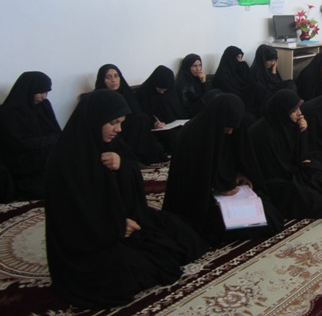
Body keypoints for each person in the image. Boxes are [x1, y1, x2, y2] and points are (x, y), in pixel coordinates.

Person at [44, 90, 208, 309]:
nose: (118, 129)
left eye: (121, 123)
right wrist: (115, 225)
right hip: (89, 238)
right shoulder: (65, 159)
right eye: (113, 123)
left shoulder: (113, 144)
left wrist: (121, 166)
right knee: (128, 275)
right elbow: (71, 215)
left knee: (181, 236)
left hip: (123, 217)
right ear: (95, 119)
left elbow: (134, 177)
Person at [163, 94, 283, 245]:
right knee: (217, 226)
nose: (230, 132)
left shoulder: (231, 131)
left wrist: (239, 174)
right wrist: (216, 189)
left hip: (230, 192)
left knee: (270, 216)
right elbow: (188, 179)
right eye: (227, 126)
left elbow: (232, 158)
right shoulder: (192, 135)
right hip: (200, 201)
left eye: (233, 127)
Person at [249, 89, 322, 220]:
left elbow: (301, 154)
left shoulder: (287, 124)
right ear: (283, 111)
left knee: (316, 169)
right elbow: (272, 168)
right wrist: (298, 167)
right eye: (295, 110)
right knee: (308, 197)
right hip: (272, 179)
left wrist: (302, 132)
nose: (300, 113)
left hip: (288, 169)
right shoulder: (262, 134)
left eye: (299, 109)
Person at [0, 71, 61, 200]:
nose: (44, 97)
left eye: (46, 93)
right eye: (41, 93)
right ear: (29, 91)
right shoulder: (9, 112)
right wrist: (47, 141)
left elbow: (56, 131)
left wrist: (48, 141)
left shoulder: (44, 105)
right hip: (21, 157)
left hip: (43, 148)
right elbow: (17, 143)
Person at [95, 64, 167, 164]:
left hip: (132, 128)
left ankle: (139, 158)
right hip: (115, 130)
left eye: (116, 76)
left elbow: (138, 110)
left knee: (143, 120)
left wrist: (154, 122)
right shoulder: (98, 97)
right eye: (108, 77)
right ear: (102, 80)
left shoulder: (126, 93)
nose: (113, 80)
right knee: (141, 120)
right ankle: (135, 158)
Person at [136, 65, 185, 155]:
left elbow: (177, 110)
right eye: (160, 89)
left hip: (173, 124)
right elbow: (143, 113)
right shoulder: (143, 93)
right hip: (157, 129)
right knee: (171, 136)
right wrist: (154, 123)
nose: (162, 92)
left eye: (165, 90)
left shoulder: (171, 91)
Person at [212, 46, 268, 121]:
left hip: (243, 96)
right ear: (230, 58)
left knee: (259, 88)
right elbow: (229, 90)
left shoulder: (239, 69)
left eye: (241, 57)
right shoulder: (222, 75)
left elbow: (248, 84)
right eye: (238, 57)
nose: (240, 60)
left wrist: (244, 70)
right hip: (234, 100)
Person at [175, 53, 221, 118]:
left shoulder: (198, 79)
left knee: (217, 92)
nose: (198, 69)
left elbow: (205, 94)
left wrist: (203, 82)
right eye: (194, 66)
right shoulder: (182, 84)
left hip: (203, 109)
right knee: (215, 93)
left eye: (200, 65)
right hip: (192, 113)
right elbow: (186, 108)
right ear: (188, 67)